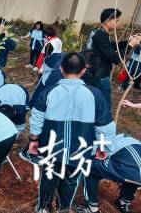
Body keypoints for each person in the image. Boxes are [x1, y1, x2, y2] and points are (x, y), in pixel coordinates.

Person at [29, 53, 115, 213]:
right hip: (80, 149)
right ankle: (64, 208)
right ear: (83, 70)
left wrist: (33, 139)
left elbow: (37, 118)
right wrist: (103, 147)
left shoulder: (49, 91)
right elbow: (105, 126)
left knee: (48, 176)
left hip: (51, 147)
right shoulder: (95, 94)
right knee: (71, 179)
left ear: (61, 69)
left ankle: (43, 208)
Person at [85, 8, 141, 108]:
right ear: (107, 21)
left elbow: (111, 45)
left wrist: (128, 41)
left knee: (95, 102)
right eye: (116, 20)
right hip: (99, 75)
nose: (117, 23)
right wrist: (130, 46)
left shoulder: (100, 32)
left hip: (96, 72)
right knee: (105, 105)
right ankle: (103, 122)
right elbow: (115, 59)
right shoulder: (99, 35)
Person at [80, 134, 141, 213]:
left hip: (127, 150)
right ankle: (93, 206)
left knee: (90, 167)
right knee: (91, 168)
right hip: (123, 149)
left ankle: (122, 201)